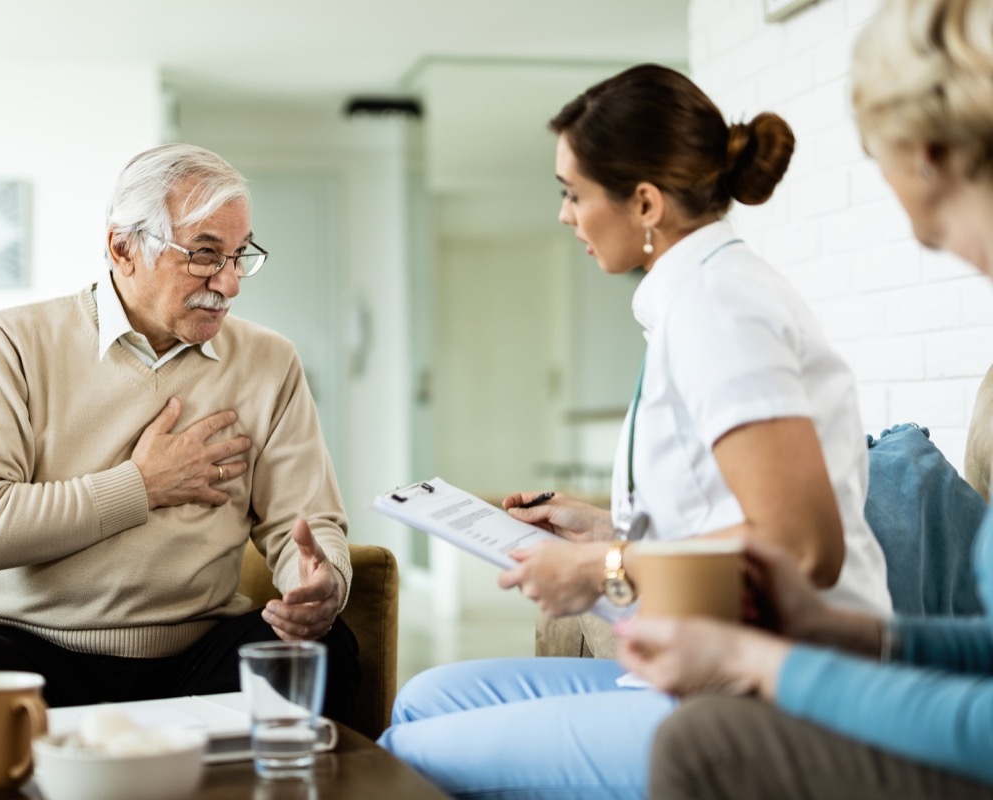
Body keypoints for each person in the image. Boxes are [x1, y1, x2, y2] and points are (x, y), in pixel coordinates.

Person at [377, 64, 892, 799]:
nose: (564, 215)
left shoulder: (719, 308)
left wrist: (606, 566)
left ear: (645, 202)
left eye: (573, 193)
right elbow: (727, 509)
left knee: (408, 754)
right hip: (716, 663)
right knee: (425, 700)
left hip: (781, 696)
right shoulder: (695, 297)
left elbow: (803, 545)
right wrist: (607, 529)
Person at [617, 2, 993, 797]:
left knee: (701, 743)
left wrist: (768, 663)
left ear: (926, 155)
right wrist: (839, 632)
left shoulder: (718, 298)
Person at [0, 143, 360, 778]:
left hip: (198, 650)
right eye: (204, 254)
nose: (228, 283)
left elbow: (306, 525)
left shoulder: (270, 361)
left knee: (327, 650)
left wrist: (321, 582)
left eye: (239, 257)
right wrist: (142, 486)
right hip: (38, 645)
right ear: (123, 247)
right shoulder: (8, 342)